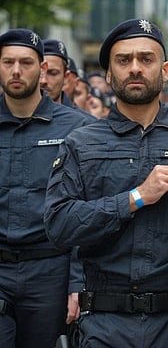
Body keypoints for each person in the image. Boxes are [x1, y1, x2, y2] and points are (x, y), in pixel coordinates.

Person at [43, 18, 168, 348]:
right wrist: (136, 197)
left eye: (146, 59)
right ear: (110, 74)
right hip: (104, 323)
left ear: (166, 69)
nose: (135, 68)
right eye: (123, 60)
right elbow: (59, 225)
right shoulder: (82, 143)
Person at [0, 28, 94, 348]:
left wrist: (77, 283)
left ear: (42, 70)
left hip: (49, 272)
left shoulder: (77, 129)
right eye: (8, 62)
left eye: (26, 63)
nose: (16, 71)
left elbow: (84, 211)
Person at [40, 38, 75, 107]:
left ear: (66, 77)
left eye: (53, 73)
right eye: (40, 73)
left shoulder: (80, 118)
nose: (43, 81)